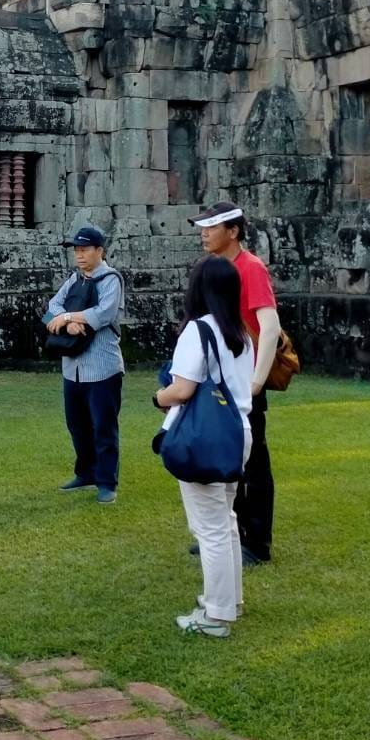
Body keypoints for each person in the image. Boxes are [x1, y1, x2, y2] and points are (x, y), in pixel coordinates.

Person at [155, 256, 255, 638]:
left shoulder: (198, 331)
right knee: (225, 521)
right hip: (238, 431)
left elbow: (181, 389)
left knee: (210, 528)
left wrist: (157, 397)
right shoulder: (240, 333)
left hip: (207, 436)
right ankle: (229, 600)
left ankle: (216, 615)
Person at [191, 201, 281, 565]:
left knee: (253, 462)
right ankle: (227, 535)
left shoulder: (251, 268)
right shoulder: (214, 269)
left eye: (213, 227)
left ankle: (257, 543)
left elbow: (270, 326)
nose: (205, 233)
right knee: (224, 458)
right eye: (203, 227)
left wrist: (257, 382)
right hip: (219, 378)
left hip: (244, 381)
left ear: (234, 231)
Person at [46, 225, 125, 504]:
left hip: (102, 366)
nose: (79, 255)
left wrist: (68, 318)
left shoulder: (111, 279)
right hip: (73, 368)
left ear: (99, 251)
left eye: (84, 250)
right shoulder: (74, 280)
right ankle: (86, 472)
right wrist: (69, 323)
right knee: (77, 424)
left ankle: (106, 481)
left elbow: (103, 314)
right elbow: (51, 308)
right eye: (76, 250)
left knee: (103, 426)